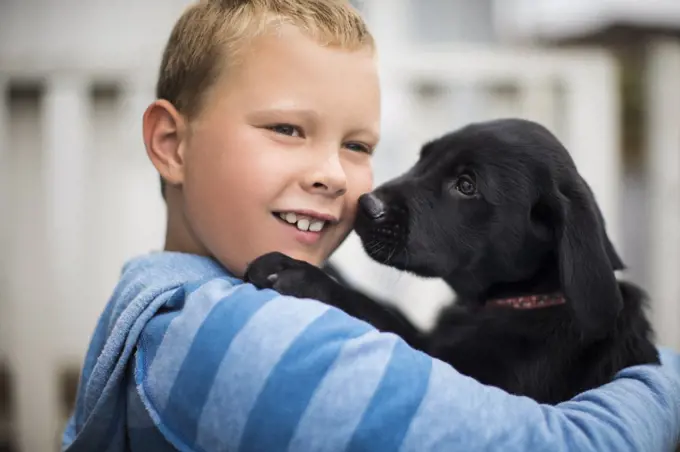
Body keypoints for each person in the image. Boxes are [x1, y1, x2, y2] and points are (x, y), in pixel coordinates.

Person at [62, 0, 680, 451]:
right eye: (286, 128)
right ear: (172, 144)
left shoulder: (187, 304)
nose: (334, 174)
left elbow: (420, 368)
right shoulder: (236, 341)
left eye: (357, 145)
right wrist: (664, 382)